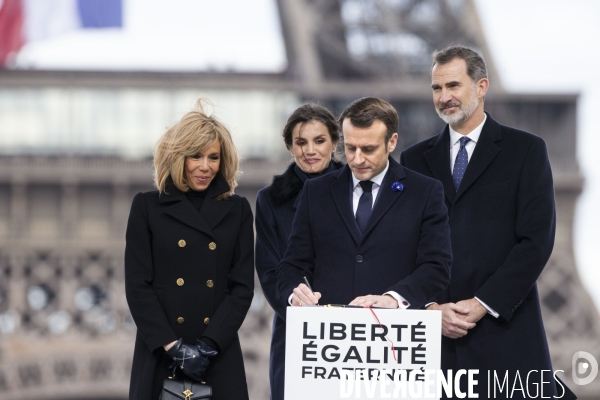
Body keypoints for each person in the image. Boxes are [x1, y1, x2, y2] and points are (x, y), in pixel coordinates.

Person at [400, 45, 575, 398]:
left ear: (481, 87)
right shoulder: (413, 159)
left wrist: (482, 304)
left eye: (453, 86)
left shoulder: (525, 151)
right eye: (437, 88)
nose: (444, 97)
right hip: (434, 340)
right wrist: (431, 309)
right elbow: (404, 243)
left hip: (504, 329)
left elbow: (536, 242)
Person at [124, 99, 254, 400]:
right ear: (177, 155)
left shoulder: (238, 210)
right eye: (195, 156)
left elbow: (242, 287)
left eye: (213, 157)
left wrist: (208, 346)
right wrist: (174, 347)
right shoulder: (146, 207)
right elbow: (137, 285)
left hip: (217, 352)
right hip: (161, 350)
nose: (205, 167)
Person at [277, 97, 452, 315]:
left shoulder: (425, 192)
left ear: (392, 142)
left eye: (368, 149)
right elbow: (292, 264)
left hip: (394, 335)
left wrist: (394, 298)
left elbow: (436, 267)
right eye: (351, 148)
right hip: (329, 336)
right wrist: (296, 293)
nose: (358, 159)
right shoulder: (316, 192)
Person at [255, 103, 343, 400]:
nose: (310, 150)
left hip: (357, 329)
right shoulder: (269, 201)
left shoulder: (364, 191)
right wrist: (297, 306)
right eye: (301, 142)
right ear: (290, 148)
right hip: (296, 330)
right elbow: (269, 270)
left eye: (319, 141)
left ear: (334, 142)